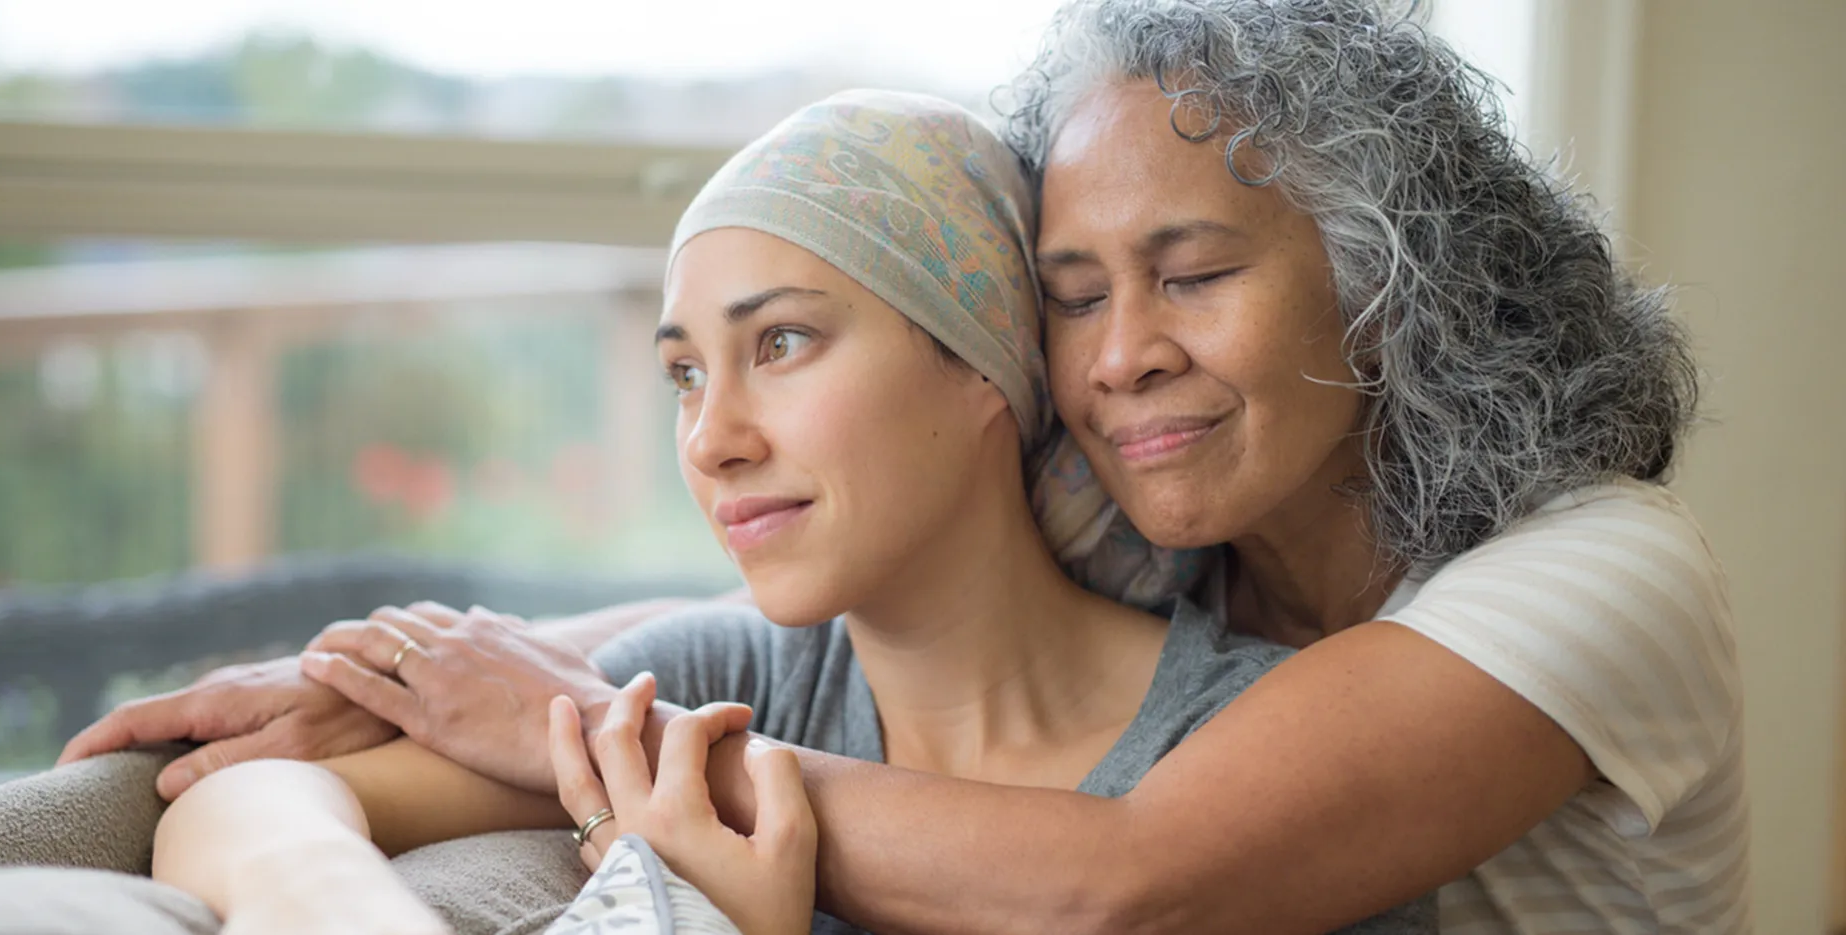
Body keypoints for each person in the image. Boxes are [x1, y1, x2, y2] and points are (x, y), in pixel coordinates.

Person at [66, 1, 1751, 932]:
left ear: (1390, 279)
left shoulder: (1601, 570)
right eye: (1074, 295)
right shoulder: (1163, 522)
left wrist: (575, 724)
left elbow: (1129, 876)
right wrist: (399, 663)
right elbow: (805, 618)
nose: (1115, 358)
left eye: (1195, 272)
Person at [146, 89, 1432, 935]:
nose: (713, 439)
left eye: (786, 343)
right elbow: (246, 800)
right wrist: (329, 900)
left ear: (985, 361)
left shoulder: (1251, 764)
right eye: (685, 374)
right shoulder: (727, 685)